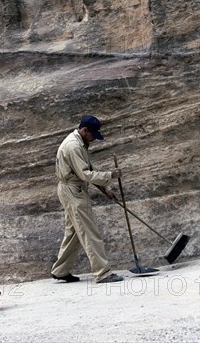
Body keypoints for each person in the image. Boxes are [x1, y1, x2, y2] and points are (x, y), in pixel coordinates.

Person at [51, 115, 124, 284]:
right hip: (73, 192)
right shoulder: (74, 146)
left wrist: (106, 189)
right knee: (89, 231)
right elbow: (85, 174)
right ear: (84, 130)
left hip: (73, 189)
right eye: (92, 134)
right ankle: (102, 273)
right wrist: (110, 175)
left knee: (75, 232)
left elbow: (88, 169)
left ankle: (60, 270)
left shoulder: (81, 142)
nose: (94, 138)